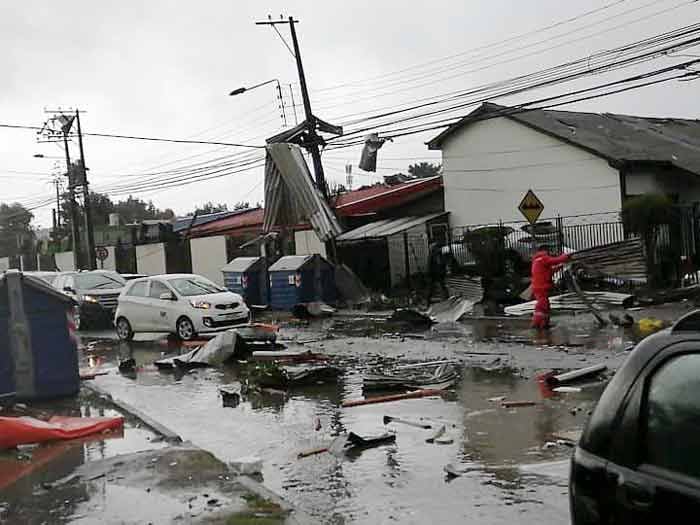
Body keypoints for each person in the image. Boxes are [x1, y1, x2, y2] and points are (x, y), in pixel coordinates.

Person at [531, 244, 570, 329]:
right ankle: (537, 324)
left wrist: (559, 267)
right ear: (545, 250)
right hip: (541, 287)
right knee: (542, 306)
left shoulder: (537, 260)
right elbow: (556, 260)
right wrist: (565, 256)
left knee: (545, 306)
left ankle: (544, 324)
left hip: (539, 287)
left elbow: (548, 271)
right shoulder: (543, 258)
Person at [427, 240, 449, 305]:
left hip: (437, 273)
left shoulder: (436, 254)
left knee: (437, 284)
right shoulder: (435, 254)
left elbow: (436, 264)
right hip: (437, 273)